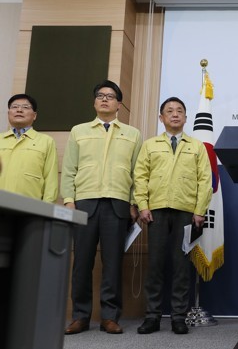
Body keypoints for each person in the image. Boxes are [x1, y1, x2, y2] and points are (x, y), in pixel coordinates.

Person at [61, 80, 142, 335]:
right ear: (94, 102)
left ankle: (109, 316)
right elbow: (70, 169)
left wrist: (133, 203)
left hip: (117, 204)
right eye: (100, 95)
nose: (105, 99)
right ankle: (80, 317)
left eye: (110, 96)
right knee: (81, 263)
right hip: (84, 202)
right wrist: (69, 201)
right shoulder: (79, 131)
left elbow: (136, 173)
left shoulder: (132, 134)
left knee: (113, 263)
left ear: (119, 104)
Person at [134, 97, 212, 335]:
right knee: (155, 264)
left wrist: (199, 210)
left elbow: (204, 180)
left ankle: (179, 316)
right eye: (169, 111)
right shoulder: (149, 145)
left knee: (180, 266)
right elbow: (140, 177)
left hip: (186, 212)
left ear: (186, 118)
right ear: (161, 118)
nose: (175, 114)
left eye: (179, 111)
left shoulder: (196, 146)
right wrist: (143, 205)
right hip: (155, 211)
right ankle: (152, 317)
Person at [0, 94, 58, 202]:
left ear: (34, 115)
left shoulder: (46, 141)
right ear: (8, 114)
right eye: (14, 107)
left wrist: (47, 208)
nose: (19, 110)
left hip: (30, 208)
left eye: (25, 107)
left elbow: (51, 180)